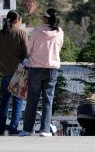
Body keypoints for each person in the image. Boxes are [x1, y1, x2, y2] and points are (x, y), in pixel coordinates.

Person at [20, 8, 64, 137]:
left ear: (45, 18)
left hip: (36, 68)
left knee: (32, 100)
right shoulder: (60, 32)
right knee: (48, 100)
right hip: (52, 69)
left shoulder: (37, 32)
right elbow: (59, 48)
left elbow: (29, 49)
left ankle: (27, 129)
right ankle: (45, 129)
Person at [0, 9, 29, 135]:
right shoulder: (21, 33)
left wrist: (0, 68)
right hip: (19, 72)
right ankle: (13, 127)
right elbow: (27, 54)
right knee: (18, 101)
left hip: (5, 72)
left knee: (4, 102)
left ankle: (0, 128)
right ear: (17, 20)